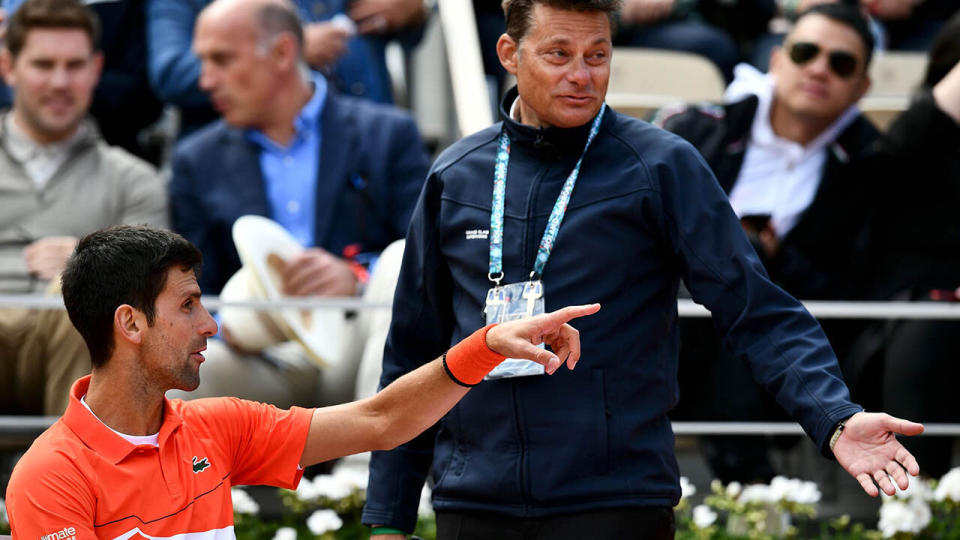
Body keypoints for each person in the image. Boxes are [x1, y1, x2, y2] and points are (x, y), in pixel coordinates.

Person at [361, 0, 924, 537]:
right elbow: (411, 352)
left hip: (616, 501)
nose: (582, 75)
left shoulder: (660, 164)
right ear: (510, 53)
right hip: (472, 501)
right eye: (559, 54)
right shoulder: (455, 174)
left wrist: (835, 417)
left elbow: (757, 308)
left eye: (598, 55)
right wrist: (389, 517)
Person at [3, 224, 598, 536]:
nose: (211, 324)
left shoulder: (222, 425)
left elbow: (382, 421)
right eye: (188, 306)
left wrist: (486, 346)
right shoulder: (49, 475)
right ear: (130, 323)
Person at [652, 2, 879, 482]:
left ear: (862, 87)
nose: (819, 68)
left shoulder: (868, 168)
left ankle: (744, 481)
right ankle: (747, 482)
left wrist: (775, 257)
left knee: (745, 272)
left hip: (780, 351)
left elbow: (855, 278)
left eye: (840, 63)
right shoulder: (697, 129)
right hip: (669, 328)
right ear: (777, 60)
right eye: (804, 52)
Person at [168, 0, 431, 407]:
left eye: (221, 59)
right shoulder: (195, 159)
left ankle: (365, 471)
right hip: (256, 362)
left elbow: (426, 256)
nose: (205, 80)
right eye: (202, 61)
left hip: (361, 348)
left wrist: (357, 278)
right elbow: (192, 289)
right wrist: (225, 328)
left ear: (283, 53)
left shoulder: (388, 134)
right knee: (169, 373)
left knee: (399, 261)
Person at [0, 0, 167, 416]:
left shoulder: (134, 181)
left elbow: (159, 305)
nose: (60, 81)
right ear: (8, 67)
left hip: (74, 348)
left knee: (87, 298)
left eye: (74, 66)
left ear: (96, 69)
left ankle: (73, 478)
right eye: (43, 64)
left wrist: (88, 259)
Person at [849, 11, 960, 478]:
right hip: (912, 327)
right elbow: (887, 173)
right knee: (929, 331)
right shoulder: (916, 143)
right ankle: (914, 516)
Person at [147, 0, 426, 136]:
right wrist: (290, 50)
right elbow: (169, 73)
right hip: (242, 157)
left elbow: (407, 31)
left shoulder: (391, 135)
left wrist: (414, 12)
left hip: (364, 144)